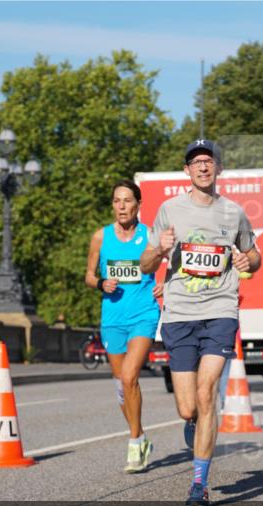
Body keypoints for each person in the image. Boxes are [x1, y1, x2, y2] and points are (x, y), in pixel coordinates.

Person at [140, 139, 260, 506]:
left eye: (209, 161)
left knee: (207, 393)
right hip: (179, 314)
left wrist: (247, 262)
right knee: (187, 408)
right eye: (196, 162)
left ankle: (199, 485)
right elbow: (145, 266)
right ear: (187, 170)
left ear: (218, 169)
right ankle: (195, 426)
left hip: (220, 310)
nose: (203, 167)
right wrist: (159, 248)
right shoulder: (169, 210)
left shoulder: (234, 212)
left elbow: (254, 254)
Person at [85, 180, 162, 473]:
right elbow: (88, 275)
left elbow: (175, 263)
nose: (121, 206)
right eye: (117, 201)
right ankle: (141, 435)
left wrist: (166, 283)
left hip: (143, 314)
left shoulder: (150, 235)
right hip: (112, 318)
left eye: (127, 200)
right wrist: (101, 282)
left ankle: (132, 443)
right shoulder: (100, 238)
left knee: (130, 376)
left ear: (138, 204)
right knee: (121, 386)